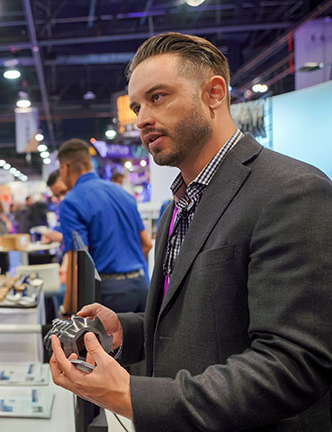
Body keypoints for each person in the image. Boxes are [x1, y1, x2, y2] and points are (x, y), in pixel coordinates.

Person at [50, 32, 332, 431]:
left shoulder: (291, 191)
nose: (142, 118)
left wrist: (132, 395)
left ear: (214, 93)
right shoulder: (176, 206)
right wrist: (127, 331)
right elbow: (204, 323)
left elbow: (293, 365)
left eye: (158, 97)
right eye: (136, 106)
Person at [57, 139, 153, 314]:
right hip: (142, 287)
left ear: (65, 167)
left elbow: (78, 263)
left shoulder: (71, 202)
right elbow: (147, 243)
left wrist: (69, 310)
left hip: (108, 294)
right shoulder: (124, 194)